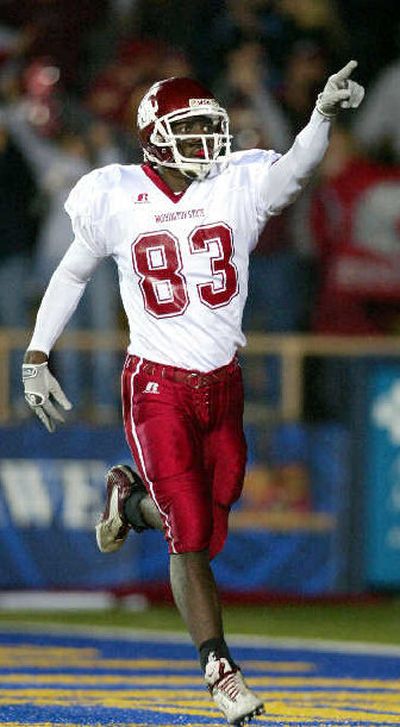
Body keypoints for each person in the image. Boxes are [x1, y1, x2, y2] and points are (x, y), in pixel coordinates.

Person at [22, 62, 364, 725]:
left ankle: (129, 498)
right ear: (154, 136)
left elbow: (294, 168)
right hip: (155, 386)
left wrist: (320, 116)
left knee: (216, 510)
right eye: (193, 129)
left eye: (212, 128)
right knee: (192, 533)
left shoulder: (235, 183)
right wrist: (37, 354)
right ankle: (221, 669)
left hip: (223, 386)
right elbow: (69, 273)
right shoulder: (114, 193)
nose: (209, 142)